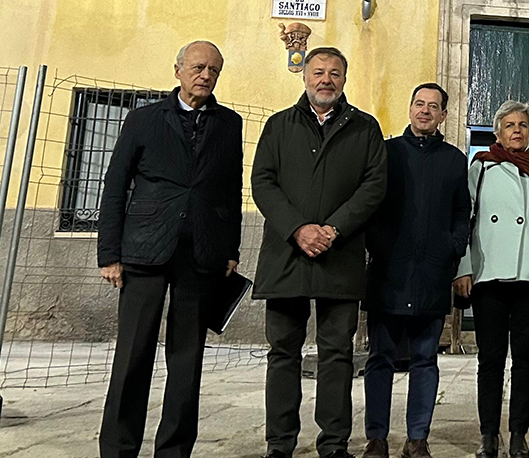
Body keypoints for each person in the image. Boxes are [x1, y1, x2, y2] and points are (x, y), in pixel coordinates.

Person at [96, 41, 242, 458]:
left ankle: (175, 450)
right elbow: (115, 185)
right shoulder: (143, 119)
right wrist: (109, 253)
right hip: (144, 251)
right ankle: (119, 448)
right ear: (177, 70)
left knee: (187, 360)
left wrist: (230, 248)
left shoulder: (229, 124)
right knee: (132, 356)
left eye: (214, 70)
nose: (205, 75)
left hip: (201, 254)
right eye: (198, 67)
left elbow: (231, 191)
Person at [252, 46, 388, 458]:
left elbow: (374, 186)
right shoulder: (278, 126)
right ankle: (280, 444)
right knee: (282, 354)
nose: (325, 80)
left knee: (337, 355)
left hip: (339, 256)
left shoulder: (365, 128)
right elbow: (262, 182)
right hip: (285, 256)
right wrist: (297, 229)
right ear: (305, 77)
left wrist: (333, 229)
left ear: (344, 79)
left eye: (334, 73)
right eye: (318, 72)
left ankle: (333, 444)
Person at [363, 83, 472, 458]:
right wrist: (380, 247)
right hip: (389, 273)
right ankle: (376, 437)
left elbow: (462, 212)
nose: (425, 111)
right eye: (419, 104)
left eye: (433, 106)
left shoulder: (455, 160)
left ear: (443, 115)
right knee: (380, 359)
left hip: (432, 273)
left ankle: (417, 438)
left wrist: (452, 247)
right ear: (410, 108)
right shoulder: (387, 153)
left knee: (426, 360)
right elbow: (371, 204)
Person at [454, 100, 529, 458]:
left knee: (527, 358)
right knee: (491, 358)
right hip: (490, 273)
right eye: (509, 125)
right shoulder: (482, 168)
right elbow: (464, 221)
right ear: (497, 132)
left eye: (522, 125)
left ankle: (518, 433)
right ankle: (489, 434)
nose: (516, 130)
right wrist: (464, 268)